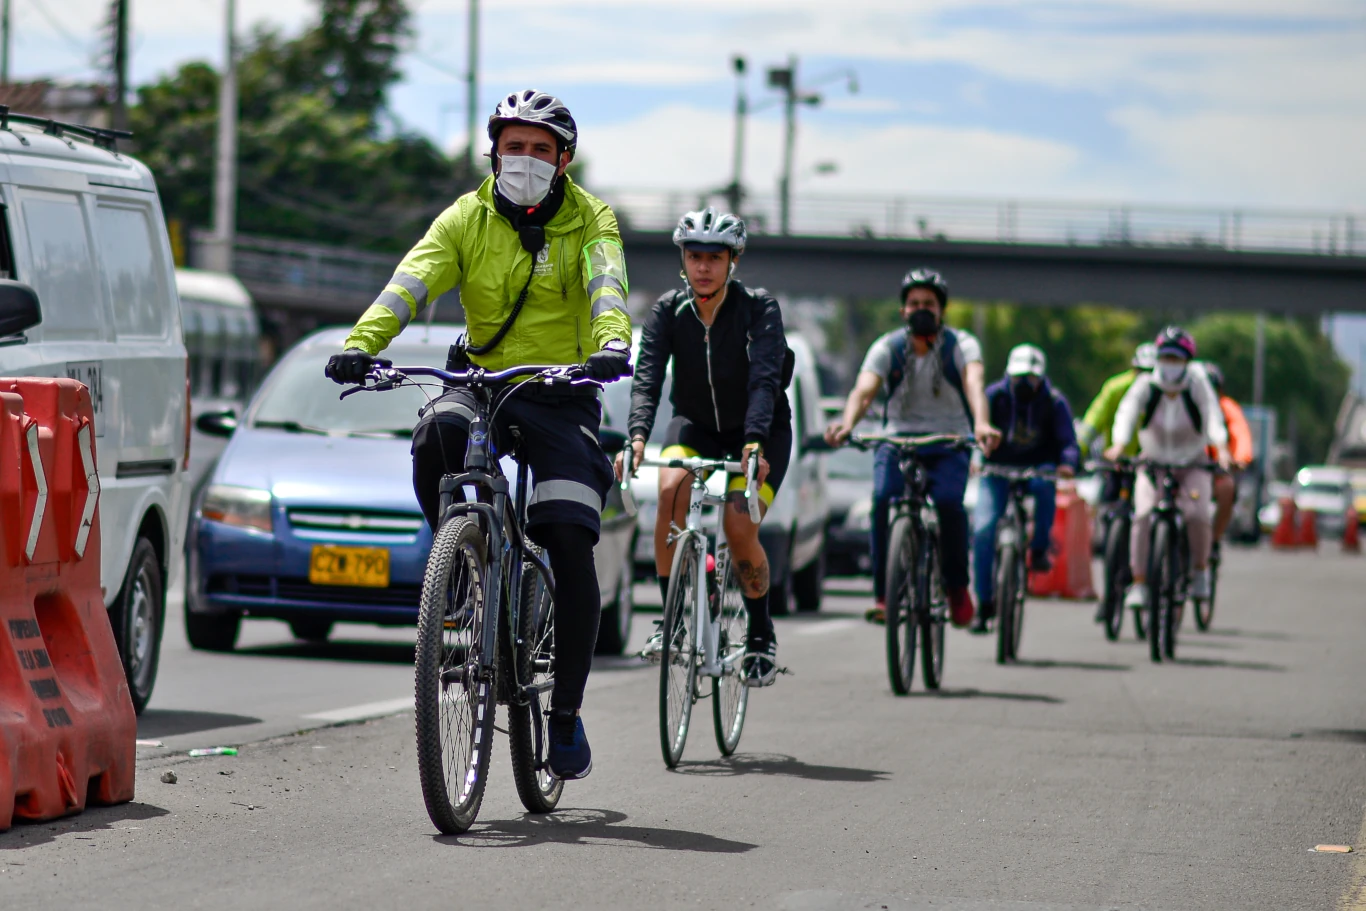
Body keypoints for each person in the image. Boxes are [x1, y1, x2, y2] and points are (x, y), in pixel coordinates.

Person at [324, 89, 632, 781]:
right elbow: (411, 280)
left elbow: (607, 281)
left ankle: (565, 714)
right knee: (436, 433)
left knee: (570, 542)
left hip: (563, 389)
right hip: (485, 378)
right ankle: (460, 563)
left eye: (540, 149)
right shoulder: (466, 216)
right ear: (494, 152)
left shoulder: (591, 219)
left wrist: (611, 344)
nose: (524, 160)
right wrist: (360, 342)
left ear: (564, 161)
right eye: (512, 146)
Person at [621, 207, 791, 686]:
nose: (703, 266)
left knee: (738, 527)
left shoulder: (759, 309)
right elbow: (647, 377)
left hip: (761, 430)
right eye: (694, 255)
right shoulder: (667, 311)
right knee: (670, 490)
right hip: (695, 425)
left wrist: (755, 440)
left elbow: (764, 379)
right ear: (683, 258)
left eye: (714, 257)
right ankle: (672, 619)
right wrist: (637, 436)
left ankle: (760, 635)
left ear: (732, 260)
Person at [824, 268, 1001, 628]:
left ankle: (955, 587)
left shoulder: (961, 345)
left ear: (942, 310)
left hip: (948, 440)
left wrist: (981, 424)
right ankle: (883, 595)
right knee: (882, 499)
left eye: (929, 304)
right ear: (904, 310)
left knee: (950, 504)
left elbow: (975, 385)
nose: (921, 309)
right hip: (897, 439)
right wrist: (848, 423)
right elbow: (864, 389)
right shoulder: (887, 347)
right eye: (914, 303)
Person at [1105, 327, 1229, 614]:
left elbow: (1212, 416)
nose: (1170, 363)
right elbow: (1126, 414)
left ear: (1188, 360)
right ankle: (1139, 582)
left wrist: (1221, 449)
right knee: (1144, 515)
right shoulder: (1146, 385)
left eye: (1177, 358)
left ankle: (1200, 573)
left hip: (1192, 463)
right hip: (1154, 462)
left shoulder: (1197, 384)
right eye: (1165, 357)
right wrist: (1119, 445)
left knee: (1197, 514)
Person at [970, 344, 1080, 635]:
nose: (1024, 384)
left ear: (1041, 378)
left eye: (1030, 378)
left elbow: (1068, 441)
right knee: (983, 530)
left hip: (1037, 467)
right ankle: (984, 603)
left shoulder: (1054, 402)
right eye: (1019, 378)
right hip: (997, 470)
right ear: (1009, 375)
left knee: (1045, 487)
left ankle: (1040, 548)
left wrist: (1067, 464)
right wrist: (975, 457)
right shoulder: (993, 396)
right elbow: (975, 430)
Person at [1078, 343, 1157, 462]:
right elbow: (1093, 421)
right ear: (1134, 369)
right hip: (1115, 462)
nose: (1145, 377)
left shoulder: (1169, 392)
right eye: (1141, 370)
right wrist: (1076, 452)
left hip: (1154, 462)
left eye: (1151, 372)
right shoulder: (1115, 388)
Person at [1203, 362, 1255, 542]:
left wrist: (1241, 458)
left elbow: (1241, 434)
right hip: (1185, 465)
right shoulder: (1183, 405)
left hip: (1217, 468)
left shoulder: (1228, 408)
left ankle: (1214, 539)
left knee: (1227, 488)